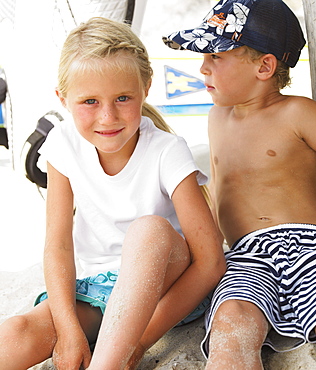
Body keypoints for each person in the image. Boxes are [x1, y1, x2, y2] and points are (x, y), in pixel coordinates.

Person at [0, 17, 226, 370]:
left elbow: (210, 262)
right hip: (95, 288)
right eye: (89, 101)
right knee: (15, 334)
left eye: (123, 98)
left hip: (162, 286)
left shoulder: (167, 151)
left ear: (145, 87)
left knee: (147, 230)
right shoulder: (62, 144)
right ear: (63, 99)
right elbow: (58, 245)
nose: (107, 117)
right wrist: (69, 331)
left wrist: (140, 341)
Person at [163, 0, 316, 368]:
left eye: (215, 55)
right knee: (231, 330)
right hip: (244, 256)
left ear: (264, 65)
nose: (203, 66)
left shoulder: (299, 113)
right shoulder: (216, 118)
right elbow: (221, 193)